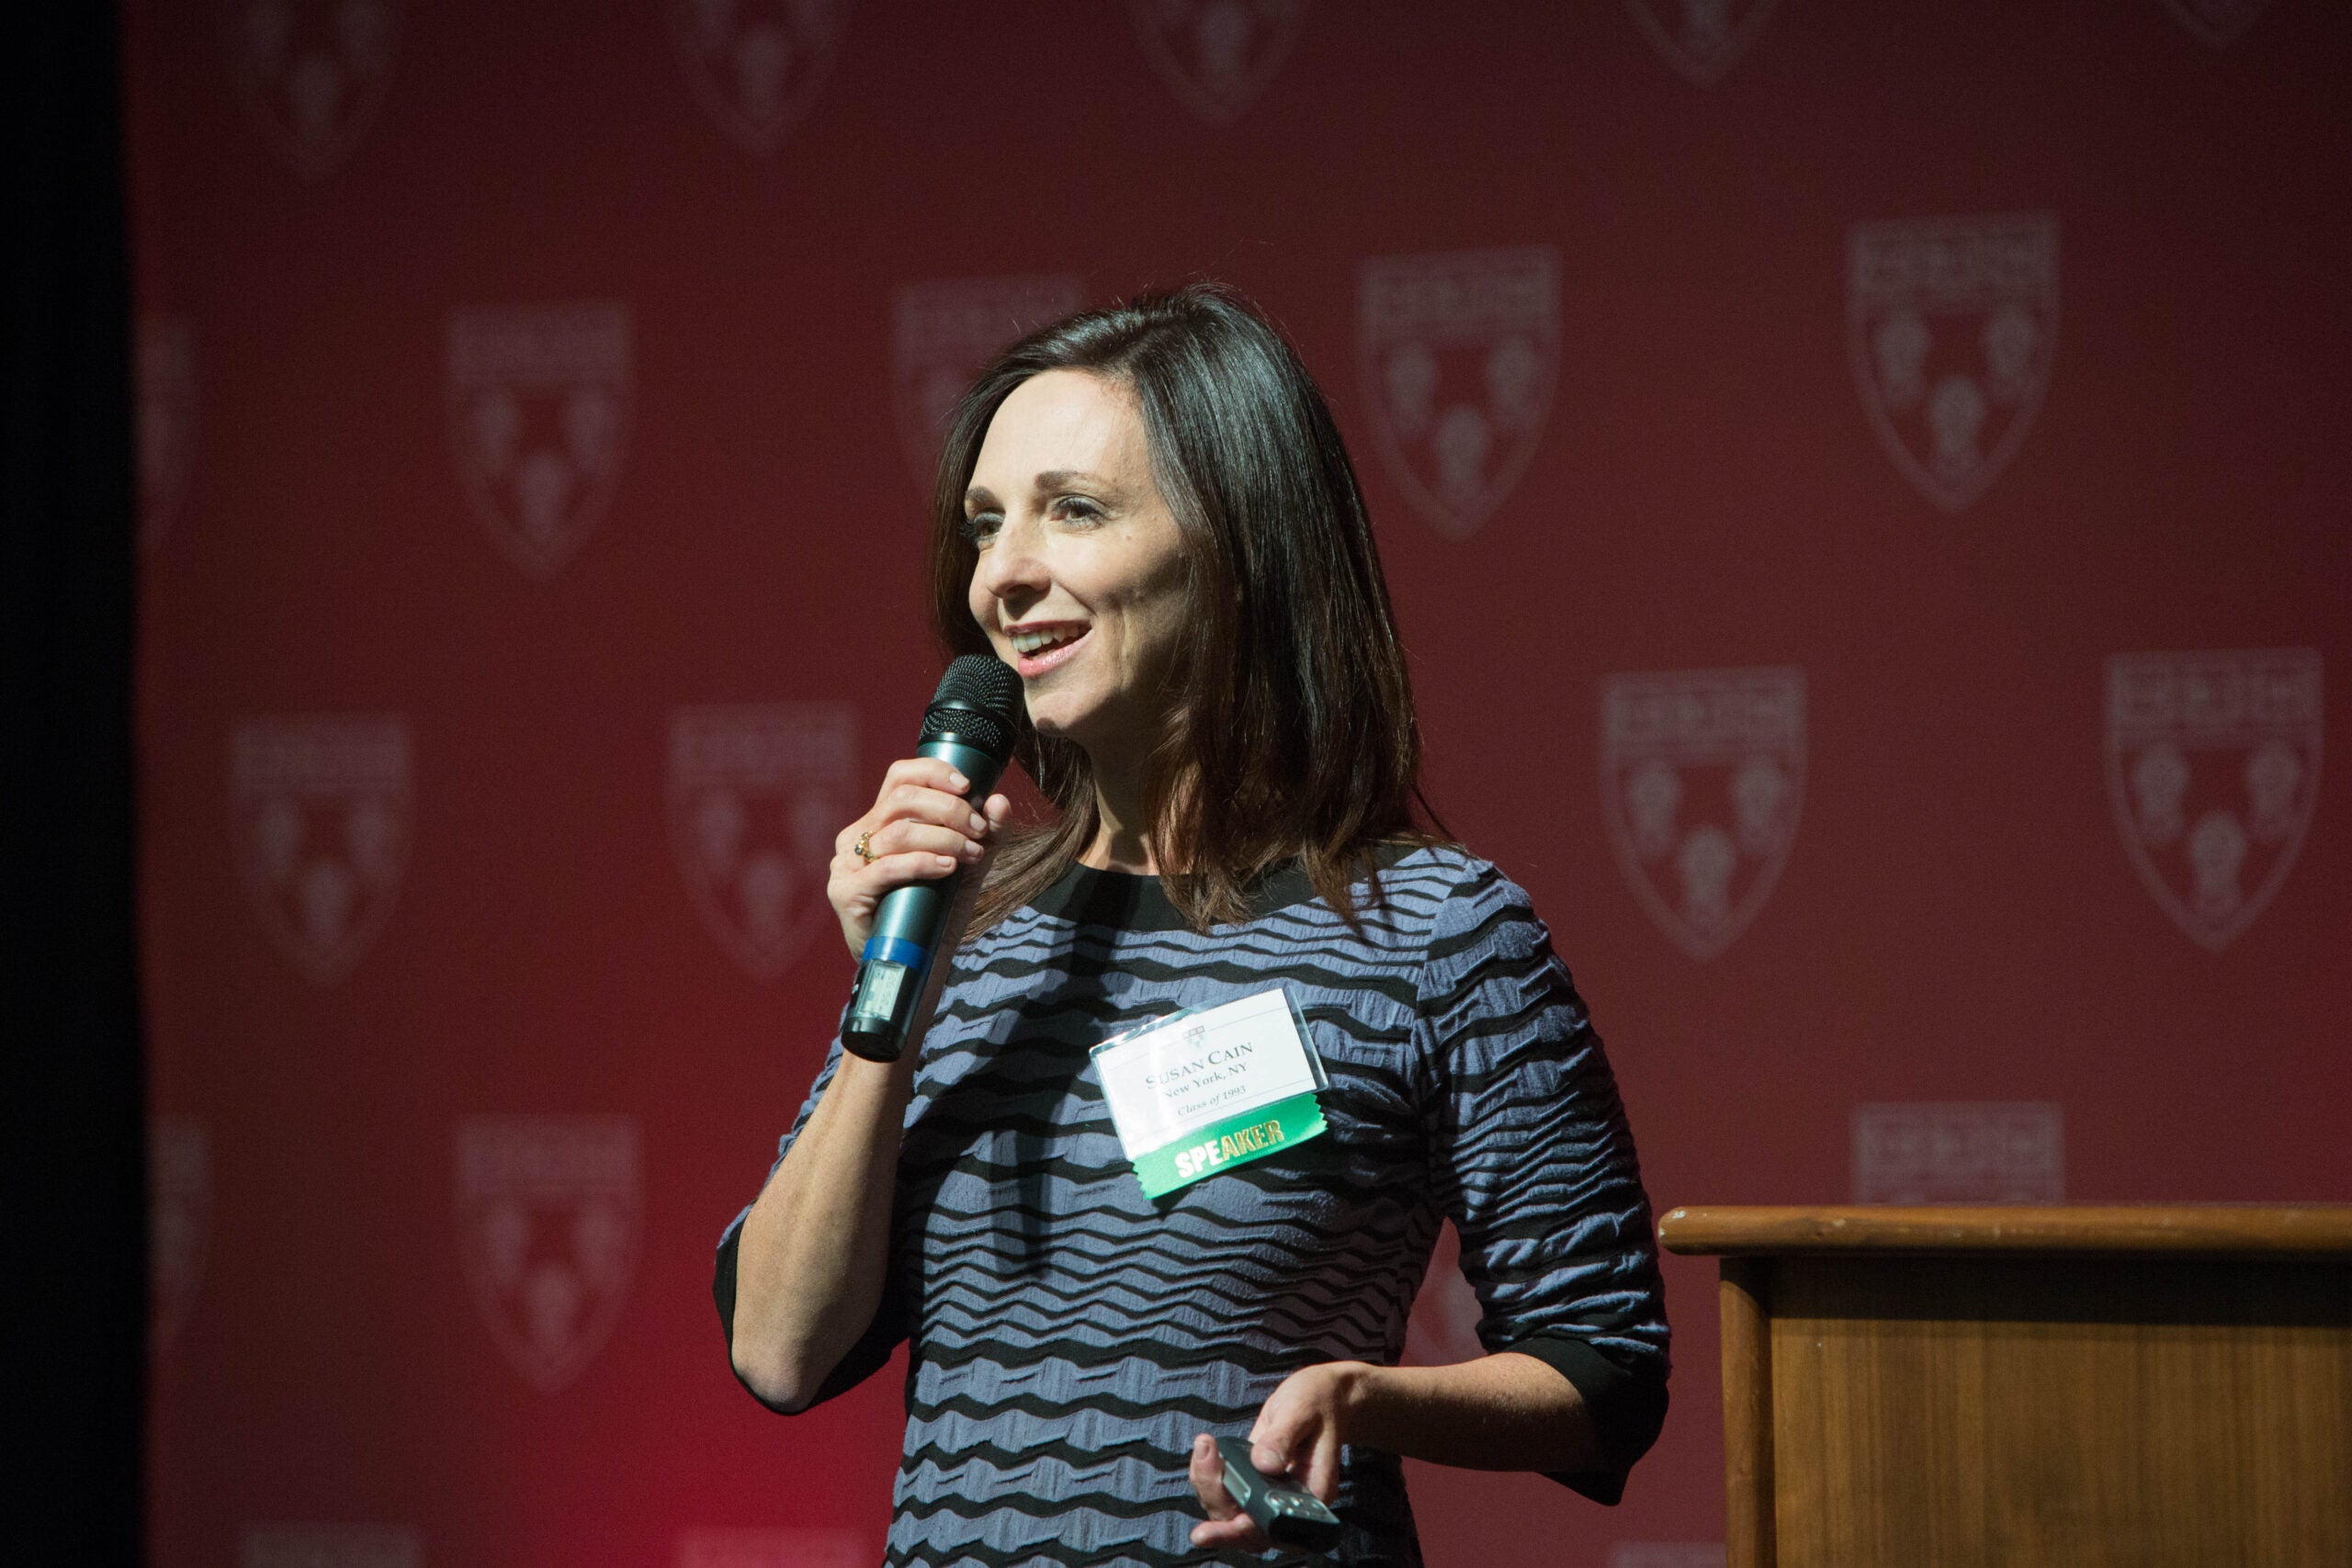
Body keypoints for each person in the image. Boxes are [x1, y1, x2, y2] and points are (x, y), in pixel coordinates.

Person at [717, 284, 1669, 1567]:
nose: (1003, 575)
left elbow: (1606, 1373)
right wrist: (895, 1003)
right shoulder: (966, 926)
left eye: (1073, 509)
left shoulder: (1436, 934)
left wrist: (1367, 1400)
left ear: (1238, 547)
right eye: (986, 524)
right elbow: (779, 1350)